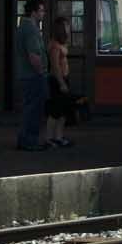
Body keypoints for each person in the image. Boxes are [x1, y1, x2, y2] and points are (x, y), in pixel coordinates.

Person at [14, 0, 49, 151]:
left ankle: (25, 139)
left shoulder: (23, 27)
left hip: (25, 75)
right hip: (33, 76)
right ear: (33, 12)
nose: (44, 13)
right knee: (34, 109)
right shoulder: (31, 29)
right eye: (41, 10)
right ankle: (30, 140)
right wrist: (41, 71)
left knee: (29, 108)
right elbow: (34, 55)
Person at [44, 16, 75, 148]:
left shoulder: (62, 43)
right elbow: (55, 67)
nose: (69, 28)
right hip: (57, 80)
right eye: (66, 26)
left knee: (63, 111)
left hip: (64, 78)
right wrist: (61, 83)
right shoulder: (54, 45)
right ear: (60, 29)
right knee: (55, 111)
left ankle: (59, 136)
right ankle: (49, 138)